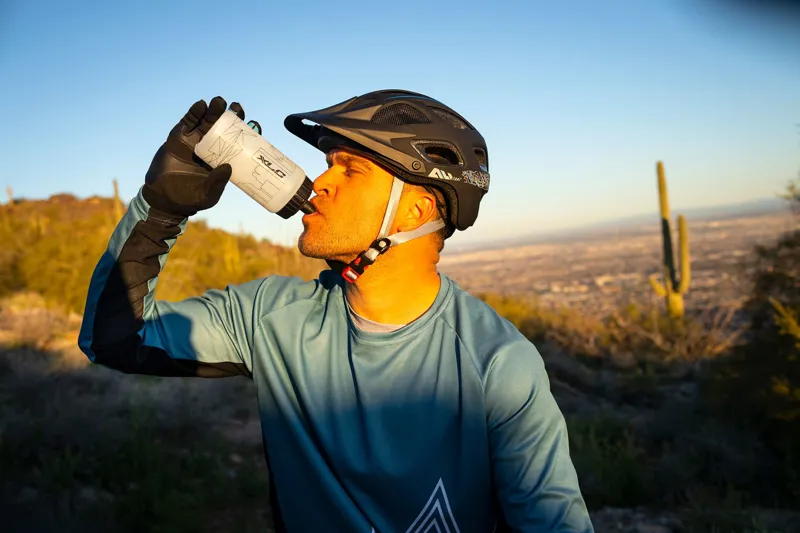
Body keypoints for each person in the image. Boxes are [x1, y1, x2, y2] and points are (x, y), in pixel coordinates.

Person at [78, 91, 594, 533]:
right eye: (329, 165)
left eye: (351, 169)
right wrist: (161, 209)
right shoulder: (269, 317)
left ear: (415, 210)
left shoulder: (496, 363)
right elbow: (115, 338)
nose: (321, 183)